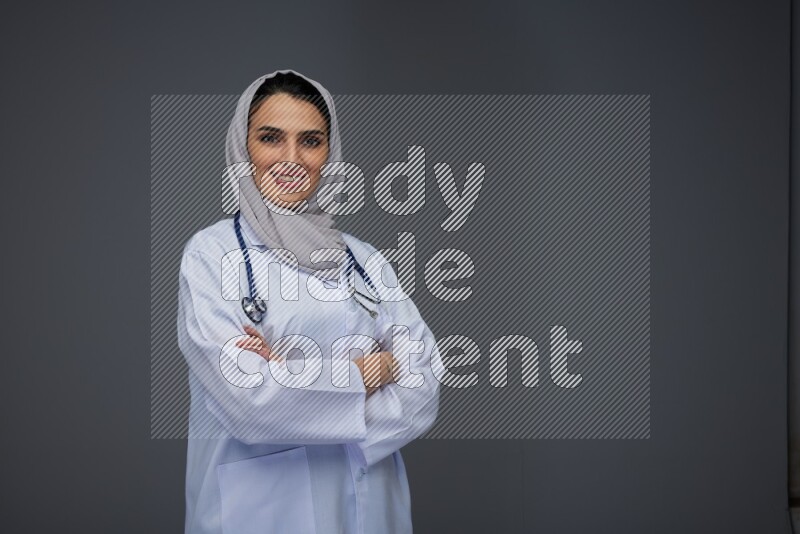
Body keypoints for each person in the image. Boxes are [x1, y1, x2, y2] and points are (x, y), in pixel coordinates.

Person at [176, 69, 442, 534]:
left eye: (312, 141)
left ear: (330, 153)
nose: (291, 159)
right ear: (244, 148)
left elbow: (424, 385)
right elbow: (250, 403)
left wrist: (290, 377)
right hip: (261, 512)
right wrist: (369, 372)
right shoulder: (212, 254)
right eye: (271, 138)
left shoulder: (363, 258)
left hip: (368, 504)